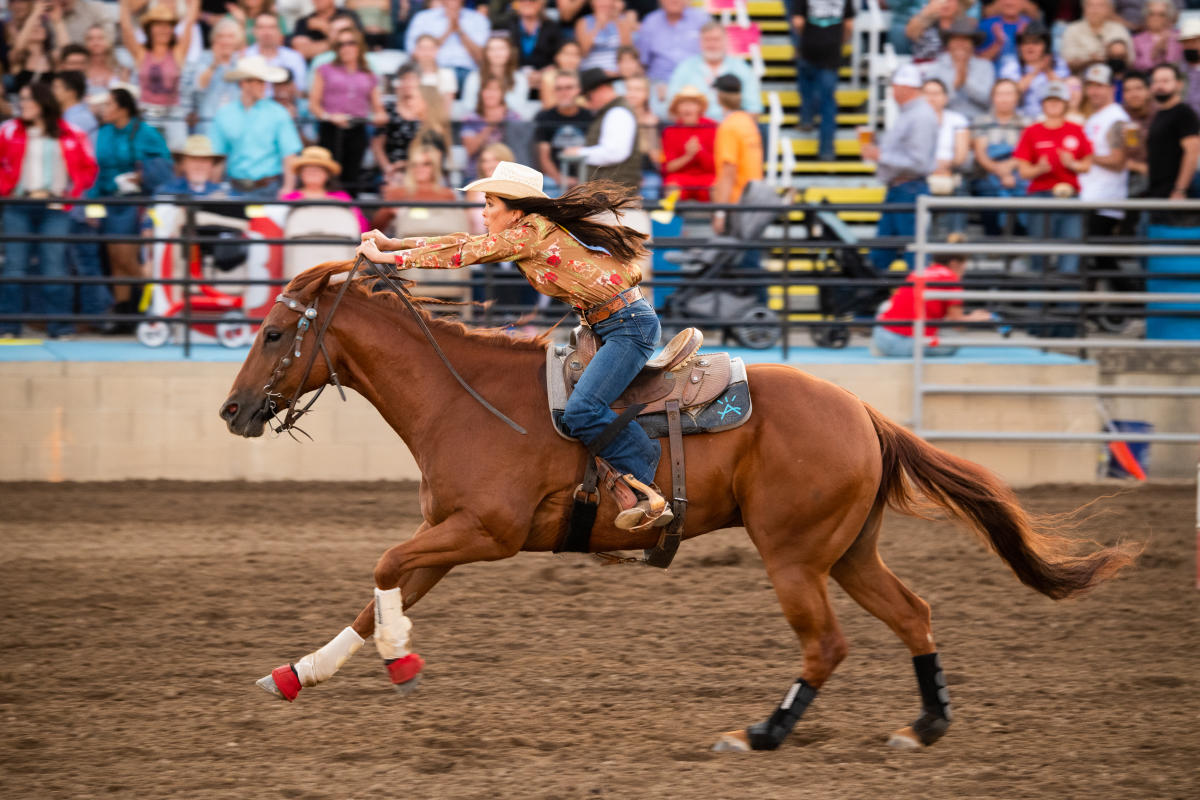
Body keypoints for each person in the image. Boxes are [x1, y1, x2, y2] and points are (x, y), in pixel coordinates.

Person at [355, 163, 674, 531]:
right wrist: (398, 244)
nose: (484, 211)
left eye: (490, 203)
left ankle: (645, 472)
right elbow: (467, 243)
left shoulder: (530, 233)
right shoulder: (530, 232)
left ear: (516, 210)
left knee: (582, 410)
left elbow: (466, 253)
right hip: (611, 323)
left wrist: (390, 259)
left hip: (626, 327)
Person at [0, 80, 98, 339]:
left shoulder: (71, 132)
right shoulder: (8, 129)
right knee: (14, 266)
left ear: (43, 102)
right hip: (18, 203)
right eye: (20, 99)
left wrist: (73, 192)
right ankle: (8, 326)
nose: (22, 104)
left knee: (54, 266)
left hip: (55, 204)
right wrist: (5, 187)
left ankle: (60, 326)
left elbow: (89, 167)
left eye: (28, 99)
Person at [91, 86, 171, 330]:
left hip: (135, 201)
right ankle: (124, 312)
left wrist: (141, 175)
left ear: (123, 108)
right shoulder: (103, 132)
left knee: (125, 255)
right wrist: (92, 201)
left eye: (109, 104)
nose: (104, 109)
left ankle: (156, 300)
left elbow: (165, 163)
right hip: (108, 199)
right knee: (115, 258)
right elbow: (96, 169)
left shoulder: (144, 132)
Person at [863, 64, 939, 272]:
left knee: (915, 255)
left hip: (909, 189)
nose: (893, 90)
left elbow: (919, 163)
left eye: (895, 85)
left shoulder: (920, 115)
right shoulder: (910, 113)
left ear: (906, 87)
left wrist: (881, 155)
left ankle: (921, 302)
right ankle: (867, 299)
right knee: (881, 254)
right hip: (901, 189)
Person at [1013, 80, 1093, 276]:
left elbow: (1087, 164)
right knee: (1038, 256)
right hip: (1040, 197)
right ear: (1042, 104)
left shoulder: (1076, 130)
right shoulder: (1031, 131)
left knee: (1070, 253)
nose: (1053, 105)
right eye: (1049, 101)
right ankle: (1037, 304)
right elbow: (1023, 171)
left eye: (1057, 100)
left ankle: (1068, 306)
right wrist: (1039, 168)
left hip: (1070, 197)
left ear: (1065, 103)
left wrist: (1072, 164)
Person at [871, 234, 993, 358]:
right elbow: (957, 323)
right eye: (965, 263)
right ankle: (899, 349)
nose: (965, 268)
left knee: (886, 306)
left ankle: (883, 347)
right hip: (904, 342)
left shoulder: (919, 272)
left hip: (881, 334)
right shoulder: (951, 278)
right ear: (955, 263)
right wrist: (975, 318)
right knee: (952, 342)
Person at [209, 55, 302, 198]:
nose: (264, 86)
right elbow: (218, 157)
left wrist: (288, 188)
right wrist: (213, 187)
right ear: (244, 83)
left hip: (268, 188)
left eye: (263, 81)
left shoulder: (278, 113)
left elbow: (289, 155)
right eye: (259, 81)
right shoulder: (224, 114)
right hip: (234, 188)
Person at [309, 26, 386, 196]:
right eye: (341, 44)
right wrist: (329, 116)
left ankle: (350, 212)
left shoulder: (368, 74)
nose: (346, 48)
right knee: (328, 175)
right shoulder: (325, 70)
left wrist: (378, 116)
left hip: (357, 127)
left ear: (359, 46)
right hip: (330, 128)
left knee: (352, 175)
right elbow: (313, 104)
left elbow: (378, 108)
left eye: (350, 43)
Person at [118, 0, 199, 152]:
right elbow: (126, 28)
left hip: (173, 115)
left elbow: (190, 22)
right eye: (159, 25)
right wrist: (123, 3)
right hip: (147, 114)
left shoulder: (177, 53)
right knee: (146, 156)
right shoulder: (141, 53)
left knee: (176, 154)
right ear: (149, 29)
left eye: (168, 25)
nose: (164, 29)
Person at [787, 0, 855, 162]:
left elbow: (797, 21)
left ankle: (807, 118)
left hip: (809, 48)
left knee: (807, 86)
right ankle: (826, 149)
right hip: (831, 52)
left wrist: (806, 37)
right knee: (828, 102)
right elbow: (849, 25)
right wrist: (841, 41)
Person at [1078, 63, 1129, 278]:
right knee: (1095, 259)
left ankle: (1131, 303)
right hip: (1090, 196)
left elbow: (1119, 161)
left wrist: (1086, 157)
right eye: (1090, 85)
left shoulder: (1117, 118)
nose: (1094, 91)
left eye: (1100, 85)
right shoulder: (1095, 117)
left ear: (1112, 88)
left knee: (1102, 258)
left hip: (1105, 199)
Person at [667, 21, 762, 121]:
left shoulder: (742, 69)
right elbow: (672, 107)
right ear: (700, 42)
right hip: (695, 129)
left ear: (726, 41)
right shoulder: (685, 68)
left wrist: (732, 124)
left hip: (730, 128)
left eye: (716, 40)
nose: (712, 44)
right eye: (707, 40)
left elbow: (754, 109)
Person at [565, 67, 642, 191]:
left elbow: (615, 153)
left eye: (588, 96)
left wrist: (579, 153)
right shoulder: (612, 111)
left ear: (601, 89)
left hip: (615, 199)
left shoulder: (618, 112)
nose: (587, 102)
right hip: (608, 197)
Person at [969, 79, 1029, 235]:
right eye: (1000, 94)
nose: (1004, 98)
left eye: (1009, 94)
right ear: (993, 97)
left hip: (1018, 172)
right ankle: (993, 239)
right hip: (988, 173)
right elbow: (980, 153)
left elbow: (1027, 150)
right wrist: (1000, 171)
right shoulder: (981, 121)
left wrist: (1008, 170)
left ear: (1017, 97)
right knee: (988, 190)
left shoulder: (1027, 122)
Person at [374, 67, 451, 186]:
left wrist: (400, 166)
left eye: (413, 98)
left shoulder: (433, 133)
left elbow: (429, 167)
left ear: (426, 103)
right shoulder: (425, 129)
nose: (409, 103)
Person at [711, 73, 763, 234]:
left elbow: (728, 172)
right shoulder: (748, 123)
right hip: (753, 200)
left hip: (736, 204)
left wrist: (720, 212)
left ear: (719, 96)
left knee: (735, 257)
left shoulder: (729, 127)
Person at [278, 145, 369, 231]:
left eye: (318, 169)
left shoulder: (341, 197)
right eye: (308, 169)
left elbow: (360, 225)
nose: (313, 172)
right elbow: (279, 227)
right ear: (301, 173)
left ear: (328, 174)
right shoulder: (289, 198)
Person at [369, 143, 457, 232]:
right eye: (415, 164)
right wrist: (389, 212)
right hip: (405, 241)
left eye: (426, 164)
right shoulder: (396, 193)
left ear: (435, 167)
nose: (420, 168)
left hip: (438, 241)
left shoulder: (447, 194)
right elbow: (376, 227)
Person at [1145, 63, 1200, 203]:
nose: (1159, 86)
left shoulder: (1183, 113)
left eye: (1165, 81)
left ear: (1179, 84)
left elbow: (1192, 151)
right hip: (1157, 192)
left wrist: (1180, 189)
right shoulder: (1159, 114)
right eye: (1156, 81)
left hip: (1174, 196)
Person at [404, 0, 490, 89]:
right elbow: (413, 53)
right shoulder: (423, 18)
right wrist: (448, 31)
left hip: (469, 73)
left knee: (476, 81)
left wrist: (459, 30)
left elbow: (483, 57)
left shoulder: (478, 19)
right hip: (434, 71)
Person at [923, 77, 971, 236]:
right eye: (927, 93)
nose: (931, 98)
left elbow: (961, 154)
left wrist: (946, 166)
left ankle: (955, 239)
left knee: (961, 187)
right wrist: (932, 167)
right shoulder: (914, 121)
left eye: (936, 93)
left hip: (950, 171)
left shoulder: (957, 119)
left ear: (945, 97)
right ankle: (923, 239)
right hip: (921, 173)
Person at [533, 68, 594, 193]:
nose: (564, 92)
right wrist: (561, 179)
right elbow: (544, 157)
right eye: (559, 88)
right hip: (554, 180)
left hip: (587, 178)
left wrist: (582, 181)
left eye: (569, 87)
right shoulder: (544, 117)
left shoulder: (590, 117)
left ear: (578, 90)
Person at [184, 17, 244, 137]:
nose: (225, 41)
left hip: (235, 124)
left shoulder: (241, 61)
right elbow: (199, 85)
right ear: (214, 39)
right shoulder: (204, 58)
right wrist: (215, 64)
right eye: (221, 36)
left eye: (230, 37)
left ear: (237, 41)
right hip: (209, 124)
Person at [926, 18, 995, 120]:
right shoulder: (936, 67)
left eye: (965, 40)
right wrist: (956, 84)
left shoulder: (985, 66)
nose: (960, 44)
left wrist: (966, 83)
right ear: (948, 43)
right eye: (956, 39)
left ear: (973, 44)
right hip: (945, 121)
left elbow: (990, 101)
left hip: (978, 122)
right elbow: (930, 102)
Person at [1000, 21, 1069, 120]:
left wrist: (1048, 71)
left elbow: (1066, 94)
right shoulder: (1011, 66)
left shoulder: (1058, 63)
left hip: (1051, 119)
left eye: (1035, 42)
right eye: (1025, 42)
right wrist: (1035, 71)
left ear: (1045, 46)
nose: (1030, 47)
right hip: (1018, 119)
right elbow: (1011, 94)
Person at [460, 76, 525, 180]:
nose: (490, 94)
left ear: (502, 93)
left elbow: (519, 150)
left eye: (495, 90)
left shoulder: (514, 117)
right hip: (476, 175)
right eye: (487, 89)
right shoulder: (471, 118)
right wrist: (490, 125)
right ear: (481, 93)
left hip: (508, 175)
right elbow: (470, 149)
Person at [635, 0, 708, 93]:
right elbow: (642, 61)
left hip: (695, 83)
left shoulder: (701, 19)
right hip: (660, 85)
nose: (674, 1)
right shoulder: (650, 22)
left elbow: (714, 53)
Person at [458, 33, 534, 121]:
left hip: (509, 124)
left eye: (501, 49)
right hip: (479, 124)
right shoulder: (474, 77)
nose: (497, 53)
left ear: (510, 52)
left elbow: (519, 108)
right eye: (492, 49)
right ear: (486, 53)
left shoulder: (519, 78)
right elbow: (468, 106)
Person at [660, 86, 715, 201]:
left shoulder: (713, 127)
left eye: (692, 103)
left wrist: (700, 152)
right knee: (671, 187)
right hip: (680, 178)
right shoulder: (670, 131)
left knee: (718, 186)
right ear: (677, 108)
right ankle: (672, 219)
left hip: (707, 177)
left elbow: (716, 166)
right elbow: (668, 168)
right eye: (683, 103)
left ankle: (719, 218)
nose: (687, 107)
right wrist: (688, 156)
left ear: (700, 107)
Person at [1061, 0, 1133, 75]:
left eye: (1100, 6)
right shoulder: (1072, 29)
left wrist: (1094, 58)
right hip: (1081, 78)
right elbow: (1068, 61)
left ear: (1109, 9)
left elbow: (1129, 60)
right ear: (1083, 8)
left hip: (1112, 78)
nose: (1095, 10)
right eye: (1090, 5)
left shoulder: (1119, 29)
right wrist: (1093, 60)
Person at [9, 1, 67, 93]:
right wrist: (35, 13)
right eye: (32, 26)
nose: (36, 27)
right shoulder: (19, 58)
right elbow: (19, 46)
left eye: (40, 25)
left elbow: (67, 52)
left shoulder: (52, 58)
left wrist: (58, 22)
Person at [245, 13, 308, 96]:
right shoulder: (244, 56)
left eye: (271, 27)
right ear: (254, 31)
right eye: (261, 27)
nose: (266, 32)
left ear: (280, 31)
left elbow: (301, 90)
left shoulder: (294, 58)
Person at [505, 0, 565, 78]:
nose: (527, 3)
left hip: (544, 76)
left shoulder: (552, 27)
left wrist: (543, 73)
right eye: (522, 1)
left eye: (532, 1)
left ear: (541, 4)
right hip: (514, 75)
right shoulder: (508, 25)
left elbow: (558, 54)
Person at [576, 0, 638, 75]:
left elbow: (626, 49)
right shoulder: (583, 22)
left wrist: (617, 19)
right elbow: (583, 52)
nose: (603, 3)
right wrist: (597, 25)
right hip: (591, 72)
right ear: (592, 3)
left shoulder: (622, 21)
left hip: (617, 72)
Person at [976, 0, 1034, 75]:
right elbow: (977, 62)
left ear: (1023, 2)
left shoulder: (1030, 25)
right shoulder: (985, 25)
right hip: (992, 79)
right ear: (998, 2)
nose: (1009, 2)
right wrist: (998, 44)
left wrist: (1022, 41)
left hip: (1024, 78)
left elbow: (1040, 60)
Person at [904, 0, 973, 63]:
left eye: (950, 0)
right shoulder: (922, 25)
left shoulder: (967, 26)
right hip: (924, 71)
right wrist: (927, 13)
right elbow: (910, 32)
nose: (945, 3)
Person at [289, 0, 359, 60]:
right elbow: (301, 51)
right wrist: (337, 43)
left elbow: (358, 42)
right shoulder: (304, 22)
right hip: (315, 67)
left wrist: (325, 28)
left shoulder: (348, 15)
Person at [1121, 70, 1153, 196]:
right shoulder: (1118, 116)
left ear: (1148, 91)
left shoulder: (1160, 116)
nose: (1133, 94)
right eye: (1128, 90)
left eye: (1138, 88)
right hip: (1122, 180)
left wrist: (1137, 166)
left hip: (1154, 182)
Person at [410, 33, 459, 110]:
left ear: (437, 50)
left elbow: (447, 108)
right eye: (422, 48)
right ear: (415, 51)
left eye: (430, 49)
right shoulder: (408, 75)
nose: (426, 53)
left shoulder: (447, 75)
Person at [81, 24, 131, 99]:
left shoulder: (120, 69)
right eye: (90, 39)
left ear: (108, 41)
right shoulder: (81, 69)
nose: (95, 42)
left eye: (100, 38)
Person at [1131, 1, 1182, 73]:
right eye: (1151, 14)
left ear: (1169, 18)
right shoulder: (1136, 40)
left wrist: (1168, 47)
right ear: (1146, 17)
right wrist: (1155, 51)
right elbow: (1136, 67)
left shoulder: (1179, 37)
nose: (1156, 18)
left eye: (1161, 15)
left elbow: (1178, 63)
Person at [51, 69, 97, 137]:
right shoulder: (67, 114)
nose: (52, 91)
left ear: (72, 92)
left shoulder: (79, 118)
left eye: (56, 87)